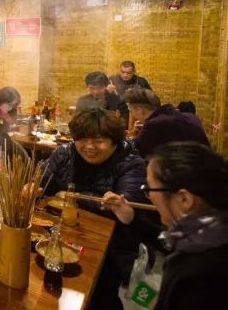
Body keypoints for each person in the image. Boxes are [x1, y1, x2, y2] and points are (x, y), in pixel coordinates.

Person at [103, 142, 228, 310]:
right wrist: (131, 219)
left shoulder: (200, 275)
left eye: (151, 189)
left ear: (184, 199)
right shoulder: (209, 232)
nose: (149, 196)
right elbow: (169, 245)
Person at [44, 109, 147, 310]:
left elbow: (128, 209)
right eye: (82, 139)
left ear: (114, 141)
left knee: (99, 299)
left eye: (99, 141)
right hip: (62, 236)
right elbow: (42, 178)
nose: (89, 147)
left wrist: (73, 198)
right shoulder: (64, 153)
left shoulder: (130, 163)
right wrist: (33, 185)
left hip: (109, 248)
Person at [123, 88, 209, 158]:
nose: (132, 114)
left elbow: (133, 150)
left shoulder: (154, 124)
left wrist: (133, 135)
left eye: (131, 111)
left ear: (139, 110)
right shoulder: (188, 116)